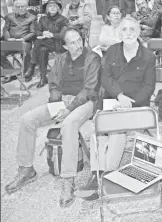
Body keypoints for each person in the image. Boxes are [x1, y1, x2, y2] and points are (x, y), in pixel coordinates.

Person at [5, 28, 101, 208]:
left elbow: (90, 88)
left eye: (79, 40)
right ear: (64, 45)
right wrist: (57, 103)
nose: (77, 45)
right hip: (64, 101)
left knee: (70, 123)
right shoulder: (60, 59)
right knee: (27, 119)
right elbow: (54, 84)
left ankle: (68, 178)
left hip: (86, 102)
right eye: (72, 42)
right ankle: (26, 169)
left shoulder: (92, 58)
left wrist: (70, 108)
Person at [75, 17, 156, 201]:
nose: (128, 33)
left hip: (136, 107)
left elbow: (149, 87)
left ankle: (103, 176)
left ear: (138, 32)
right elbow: (106, 77)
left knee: (116, 132)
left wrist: (129, 103)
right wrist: (119, 96)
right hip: (113, 101)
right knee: (99, 132)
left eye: (132, 29)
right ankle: (98, 175)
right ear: (119, 32)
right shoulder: (112, 51)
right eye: (125, 29)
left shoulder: (148, 56)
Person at [25, 0, 69, 88]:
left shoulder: (63, 19)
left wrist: (51, 34)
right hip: (45, 44)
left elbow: (62, 35)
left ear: (57, 8)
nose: (52, 8)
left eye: (54, 6)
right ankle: (43, 76)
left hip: (58, 44)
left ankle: (32, 65)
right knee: (42, 50)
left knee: (38, 42)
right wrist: (43, 34)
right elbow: (37, 31)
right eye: (50, 6)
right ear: (47, 9)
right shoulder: (43, 19)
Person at [2, 0, 37, 78]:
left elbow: (33, 32)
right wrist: (8, 38)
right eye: (18, 6)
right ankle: (10, 73)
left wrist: (23, 39)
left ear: (26, 7)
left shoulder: (32, 17)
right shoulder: (9, 16)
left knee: (26, 52)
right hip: (11, 42)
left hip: (25, 42)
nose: (21, 8)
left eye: (23, 6)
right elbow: (5, 29)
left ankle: (27, 73)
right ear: (14, 8)